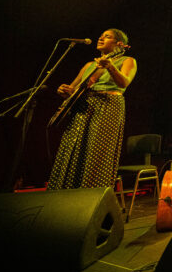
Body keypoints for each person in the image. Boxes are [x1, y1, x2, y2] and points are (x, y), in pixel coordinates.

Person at [47, 29, 138, 190]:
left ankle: (91, 192)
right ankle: (66, 190)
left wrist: (110, 66)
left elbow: (124, 83)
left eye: (107, 36)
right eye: (101, 36)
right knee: (74, 147)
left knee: (96, 150)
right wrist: (65, 91)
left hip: (108, 106)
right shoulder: (89, 65)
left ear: (119, 44)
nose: (101, 38)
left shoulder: (128, 60)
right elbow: (73, 90)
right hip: (84, 107)